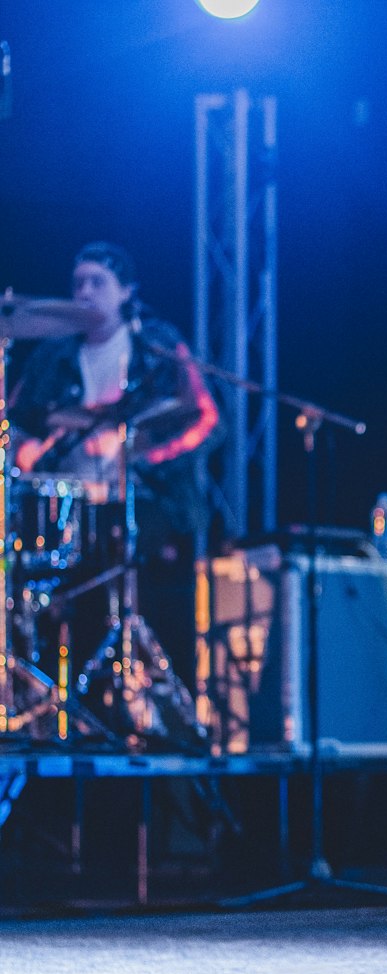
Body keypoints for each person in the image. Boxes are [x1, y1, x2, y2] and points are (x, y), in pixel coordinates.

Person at [8, 241, 220, 686]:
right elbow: (17, 423)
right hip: (66, 504)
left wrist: (139, 455)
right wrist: (25, 450)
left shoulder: (155, 347)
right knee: (51, 589)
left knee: (138, 576)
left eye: (97, 282)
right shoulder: (53, 355)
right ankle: (54, 696)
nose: (85, 291)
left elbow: (207, 420)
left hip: (144, 498)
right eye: (78, 282)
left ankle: (152, 696)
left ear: (126, 291)